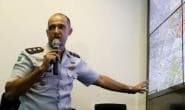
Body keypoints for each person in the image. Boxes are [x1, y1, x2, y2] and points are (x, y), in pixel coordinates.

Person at [4, 13, 147, 109]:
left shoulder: (74, 61)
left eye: (61, 26)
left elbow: (101, 80)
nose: (56, 30)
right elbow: (10, 93)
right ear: (47, 32)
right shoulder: (30, 55)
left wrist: (130, 89)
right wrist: (41, 69)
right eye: (52, 27)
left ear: (69, 31)